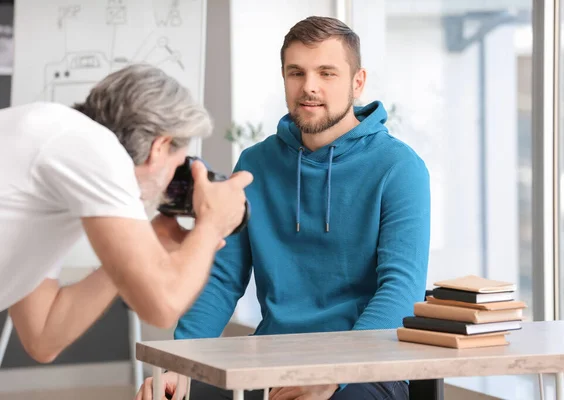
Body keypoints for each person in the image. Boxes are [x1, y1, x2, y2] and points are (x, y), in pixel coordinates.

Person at [138, 16, 430, 400]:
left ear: (357, 82)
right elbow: (223, 279)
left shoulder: (399, 168)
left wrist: (336, 373)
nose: (309, 87)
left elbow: (400, 289)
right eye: (297, 73)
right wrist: (179, 364)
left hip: (365, 367)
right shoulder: (255, 165)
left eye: (327, 73)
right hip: (270, 359)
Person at [0, 64, 252, 364]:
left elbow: (43, 336)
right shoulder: (95, 150)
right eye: (177, 165)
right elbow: (163, 305)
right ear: (160, 146)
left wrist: (130, 262)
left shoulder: (54, 142)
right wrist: (211, 224)